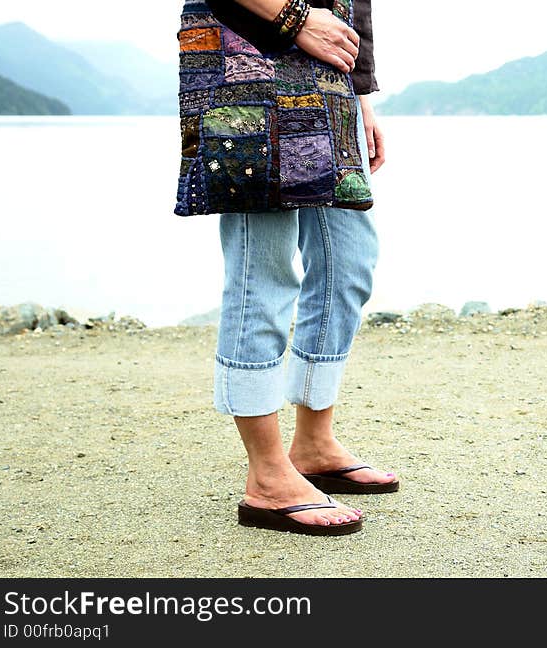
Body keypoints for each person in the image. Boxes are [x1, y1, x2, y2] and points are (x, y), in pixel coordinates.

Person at [208, 0, 395, 536]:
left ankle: (313, 444)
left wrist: (360, 92)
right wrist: (293, 18)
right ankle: (266, 477)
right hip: (250, 63)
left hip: (329, 81)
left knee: (348, 264)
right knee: (262, 268)